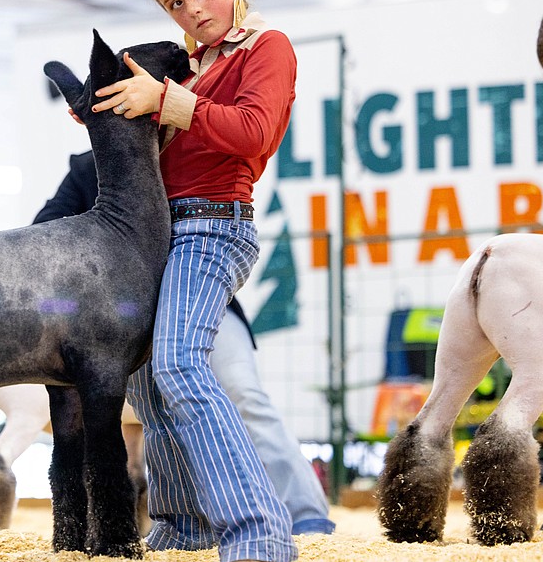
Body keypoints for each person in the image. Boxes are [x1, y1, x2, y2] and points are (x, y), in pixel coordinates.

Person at [87, 0, 300, 562]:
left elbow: (254, 133)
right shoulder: (186, 65)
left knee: (177, 365)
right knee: (145, 380)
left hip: (215, 223)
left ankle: (259, 530)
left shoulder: (266, 47)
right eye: (174, 3)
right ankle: (182, 528)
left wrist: (168, 101)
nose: (192, 8)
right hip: (158, 234)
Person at [35, 151, 333, 536]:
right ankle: (184, 525)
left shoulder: (180, 156)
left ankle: (307, 515)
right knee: (154, 413)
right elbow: (44, 228)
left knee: (243, 393)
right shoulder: (87, 168)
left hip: (207, 300)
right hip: (136, 314)